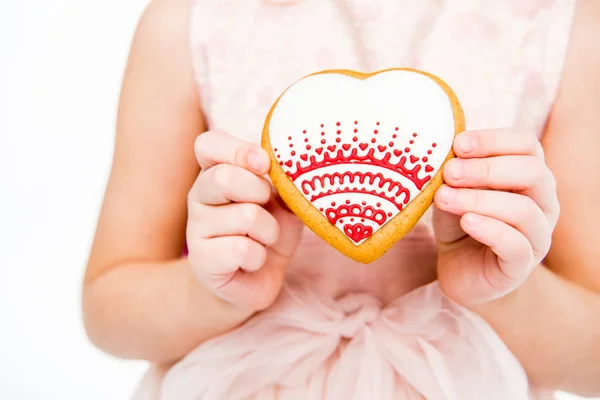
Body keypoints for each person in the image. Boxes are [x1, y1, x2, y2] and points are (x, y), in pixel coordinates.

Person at [82, 0, 600, 398]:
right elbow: (106, 309)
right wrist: (213, 294)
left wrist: (504, 290)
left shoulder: (564, 29)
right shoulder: (191, 20)